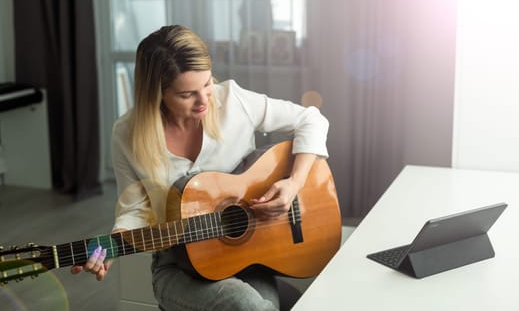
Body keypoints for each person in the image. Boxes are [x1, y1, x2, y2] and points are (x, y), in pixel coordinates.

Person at [71, 25, 329, 310]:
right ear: (156, 93)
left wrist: (294, 183)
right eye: (187, 94)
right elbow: (134, 210)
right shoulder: (127, 134)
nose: (205, 100)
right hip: (179, 265)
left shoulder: (232, 100)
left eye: (207, 84)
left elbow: (311, 120)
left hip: (249, 253)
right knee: (249, 306)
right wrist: (110, 247)